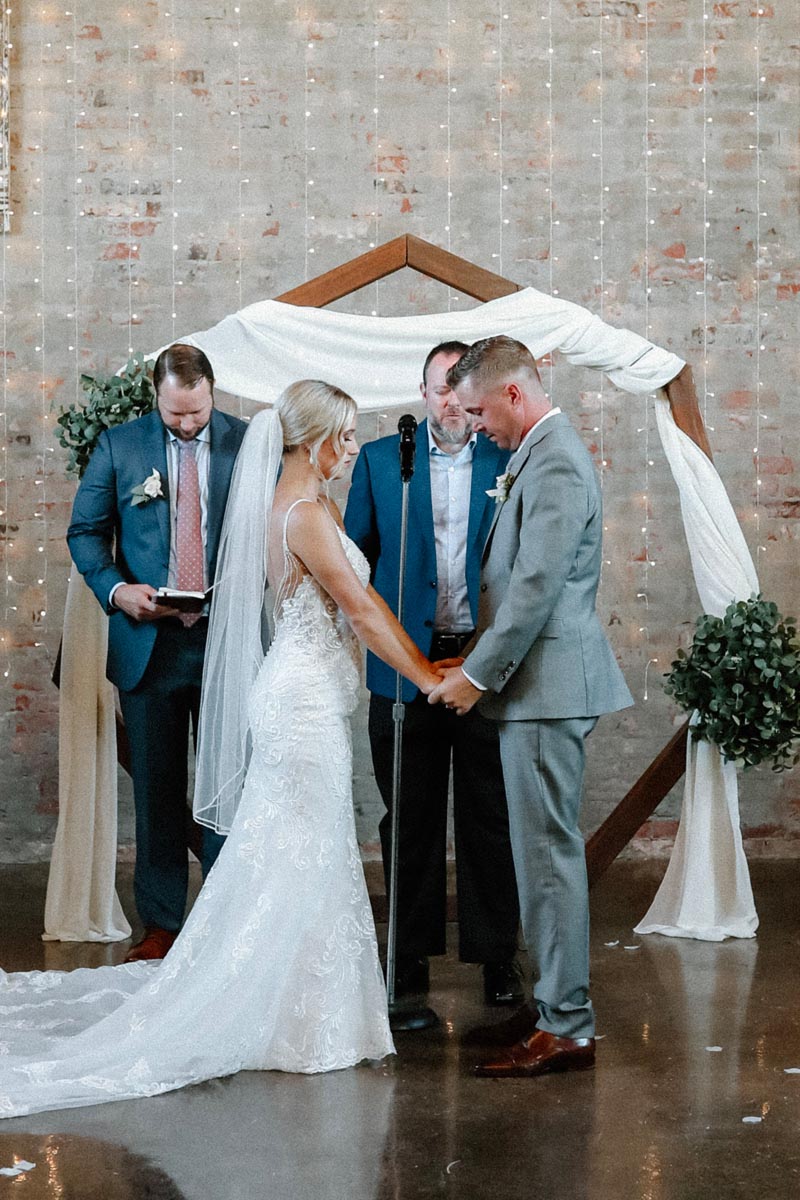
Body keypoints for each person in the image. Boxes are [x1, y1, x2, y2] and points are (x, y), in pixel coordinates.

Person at [0, 380, 441, 1118]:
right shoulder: (302, 515)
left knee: (299, 854)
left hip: (307, 696)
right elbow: (360, 611)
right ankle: (295, 1021)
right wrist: (425, 676)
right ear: (319, 439)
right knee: (301, 854)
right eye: (348, 436)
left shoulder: (301, 507)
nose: (354, 449)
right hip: (300, 707)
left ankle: (300, 1012)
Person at [430, 336, 633, 1078]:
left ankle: (568, 1027)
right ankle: (552, 1003)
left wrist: (476, 677)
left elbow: (536, 589)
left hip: (545, 691)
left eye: (480, 412)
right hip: (536, 688)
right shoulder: (539, 453)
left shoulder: (555, 460)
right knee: (536, 859)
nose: (477, 427)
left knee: (547, 863)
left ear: (514, 395)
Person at [344, 341, 521, 1006]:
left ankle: (497, 958)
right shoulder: (382, 462)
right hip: (404, 672)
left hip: (483, 667)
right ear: (422, 395)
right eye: (438, 388)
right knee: (409, 817)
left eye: (459, 386)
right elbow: (356, 564)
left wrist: (484, 656)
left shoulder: (508, 457)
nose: (450, 400)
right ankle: (407, 957)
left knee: (489, 815)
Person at [66, 344, 248, 962]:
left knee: (227, 787)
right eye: (176, 416)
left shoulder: (249, 443)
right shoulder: (120, 447)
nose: (189, 425)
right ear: (157, 396)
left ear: (212, 390)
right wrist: (118, 591)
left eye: (197, 413)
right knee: (156, 790)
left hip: (227, 641)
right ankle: (163, 925)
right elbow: (85, 532)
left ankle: (225, 920)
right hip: (149, 645)